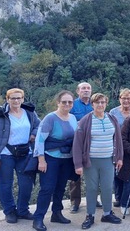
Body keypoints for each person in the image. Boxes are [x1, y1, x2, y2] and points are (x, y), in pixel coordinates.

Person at [0, 88, 40, 224]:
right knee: (5, 184)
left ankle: (23, 210)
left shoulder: (30, 113)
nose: (16, 100)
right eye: (13, 98)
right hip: (5, 155)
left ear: (23, 99)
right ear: (7, 100)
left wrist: (34, 134)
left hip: (25, 153)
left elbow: (40, 126)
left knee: (26, 184)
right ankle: (9, 211)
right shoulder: (0, 116)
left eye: (19, 98)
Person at [72, 93, 124, 229]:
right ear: (92, 104)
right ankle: (90, 215)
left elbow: (118, 140)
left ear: (106, 103)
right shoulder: (85, 120)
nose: (100, 105)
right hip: (91, 161)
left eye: (103, 102)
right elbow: (77, 144)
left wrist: (119, 157)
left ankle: (107, 213)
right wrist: (78, 164)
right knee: (92, 189)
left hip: (108, 160)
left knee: (107, 188)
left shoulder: (112, 119)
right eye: (97, 102)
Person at [31, 91, 79, 231]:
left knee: (60, 187)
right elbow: (40, 140)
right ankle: (38, 218)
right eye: (64, 101)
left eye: (70, 102)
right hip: (50, 158)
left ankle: (57, 213)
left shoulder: (73, 118)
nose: (67, 104)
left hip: (66, 159)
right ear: (58, 102)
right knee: (47, 188)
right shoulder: (50, 118)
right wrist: (41, 160)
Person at [108, 88, 130, 208]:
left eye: (128, 98)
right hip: (117, 146)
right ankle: (118, 197)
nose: (126, 100)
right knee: (117, 172)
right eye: (123, 98)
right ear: (119, 99)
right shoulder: (113, 112)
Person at [69, 82, 93, 213]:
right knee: (75, 174)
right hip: (76, 143)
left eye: (88, 88)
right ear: (78, 91)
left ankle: (94, 199)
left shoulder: (94, 103)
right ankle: (75, 202)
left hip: (92, 143)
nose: (86, 90)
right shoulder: (72, 104)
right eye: (83, 88)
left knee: (93, 173)